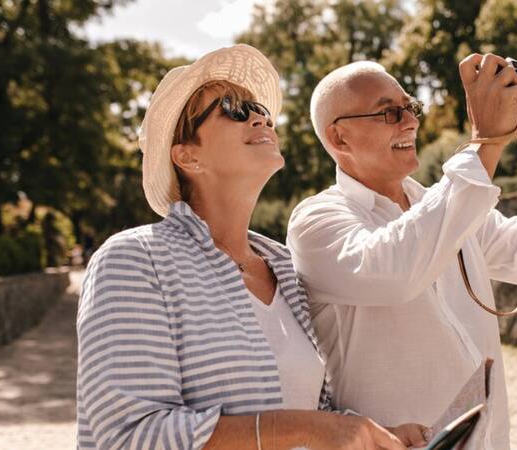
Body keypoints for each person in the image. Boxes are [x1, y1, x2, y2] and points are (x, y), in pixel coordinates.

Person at [76, 44, 426, 450]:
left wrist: (374, 435)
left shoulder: (283, 268)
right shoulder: (134, 261)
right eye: (232, 108)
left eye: (258, 108)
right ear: (187, 156)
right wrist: (308, 428)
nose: (260, 117)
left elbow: (310, 410)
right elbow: (128, 436)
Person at [286, 54, 517, 449]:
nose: (410, 122)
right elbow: (396, 273)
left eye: (410, 107)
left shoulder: (443, 204)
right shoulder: (315, 221)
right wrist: (484, 142)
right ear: (339, 138)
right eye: (389, 113)